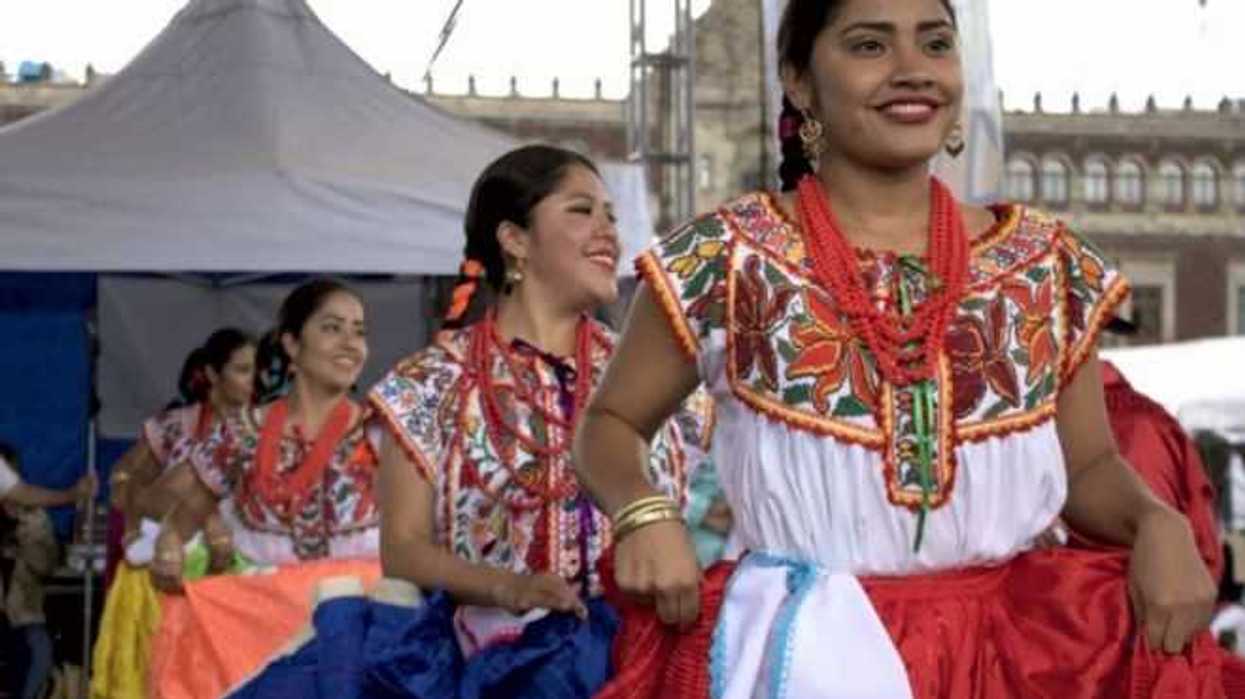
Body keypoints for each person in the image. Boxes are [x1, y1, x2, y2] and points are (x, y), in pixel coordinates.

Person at [573, 1, 1226, 697]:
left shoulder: (1041, 261)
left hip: (1017, 655)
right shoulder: (724, 258)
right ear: (797, 79)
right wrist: (642, 511)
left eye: (935, 43)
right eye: (869, 46)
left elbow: (1087, 464)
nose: (913, 70)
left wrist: (1155, 520)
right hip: (810, 655)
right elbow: (609, 423)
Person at [228, 145, 711, 699]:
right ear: (515, 239)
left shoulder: (649, 375)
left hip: (640, 662)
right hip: (486, 666)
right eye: (582, 211)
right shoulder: (428, 384)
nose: (609, 232)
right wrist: (507, 587)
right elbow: (403, 548)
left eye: (611, 216)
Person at [152, 280, 378, 588]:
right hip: (260, 610)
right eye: (332, 328)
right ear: (292, 344)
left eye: (359, 332)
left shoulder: (384, 435)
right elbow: (179, 519)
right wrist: (168, 544)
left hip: (361, 610)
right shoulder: (240, 431)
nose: (351, 343)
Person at [91, 329, 255, 699]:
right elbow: (123, 480)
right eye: (243, 370)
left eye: (257, 371)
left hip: (236, 574)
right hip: (170, 574)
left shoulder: (262, 428)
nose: (253, 380)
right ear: (212, 374)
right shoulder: (175, 426)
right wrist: (139, 519)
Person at [0, 442, 92, 699]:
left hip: (22, 617)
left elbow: (45, 566)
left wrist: (25, 530)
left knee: (38, 650)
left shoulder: (32, 516)